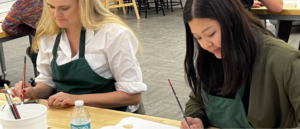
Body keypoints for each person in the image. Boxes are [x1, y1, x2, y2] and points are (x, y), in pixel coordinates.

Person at [8, 0, 147, 112]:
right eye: (51, 6)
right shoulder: (48, 35)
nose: (56, 14)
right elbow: (48, 82)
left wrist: (76, 99)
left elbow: (132, 97)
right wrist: (34, 91)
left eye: (64, 8)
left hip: (113, 117)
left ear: (84, 5)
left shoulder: (113, 35)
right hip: (69, 116)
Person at [181, 0, 300, 128]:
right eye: (198, 37)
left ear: (232, 20)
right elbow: (197, 100)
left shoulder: (284, 61)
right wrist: (198, 118)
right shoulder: (211, 57)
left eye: (211, 34)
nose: (205, 45)